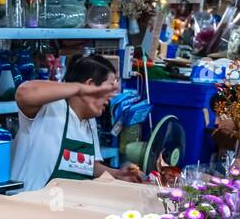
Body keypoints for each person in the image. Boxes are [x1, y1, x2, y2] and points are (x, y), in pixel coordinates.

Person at [10, 53, 143, 190]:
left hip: (61, 205)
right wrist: (80, 89)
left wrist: (117, 174)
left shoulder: (89, 121)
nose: (111, 97)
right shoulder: (51, 108)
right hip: (27, 205)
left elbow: (87, 166)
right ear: (90, 85)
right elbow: (23, 92)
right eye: (108, 88)